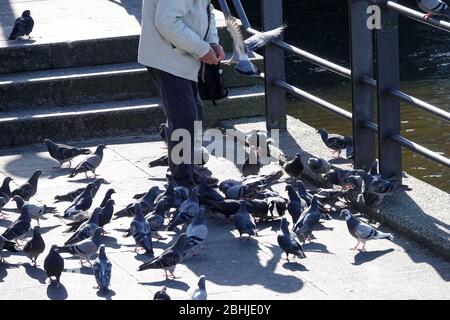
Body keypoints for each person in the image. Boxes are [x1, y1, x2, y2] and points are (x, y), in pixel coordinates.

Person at [138, 0, 225, 188]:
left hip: (182, 56)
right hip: (167, 58)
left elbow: (206, 10)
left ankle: (186, 172)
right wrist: (202, 49)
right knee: (184, 119)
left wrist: (212, 42)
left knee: (192, 114)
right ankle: (181, 181)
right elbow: (166, 22)